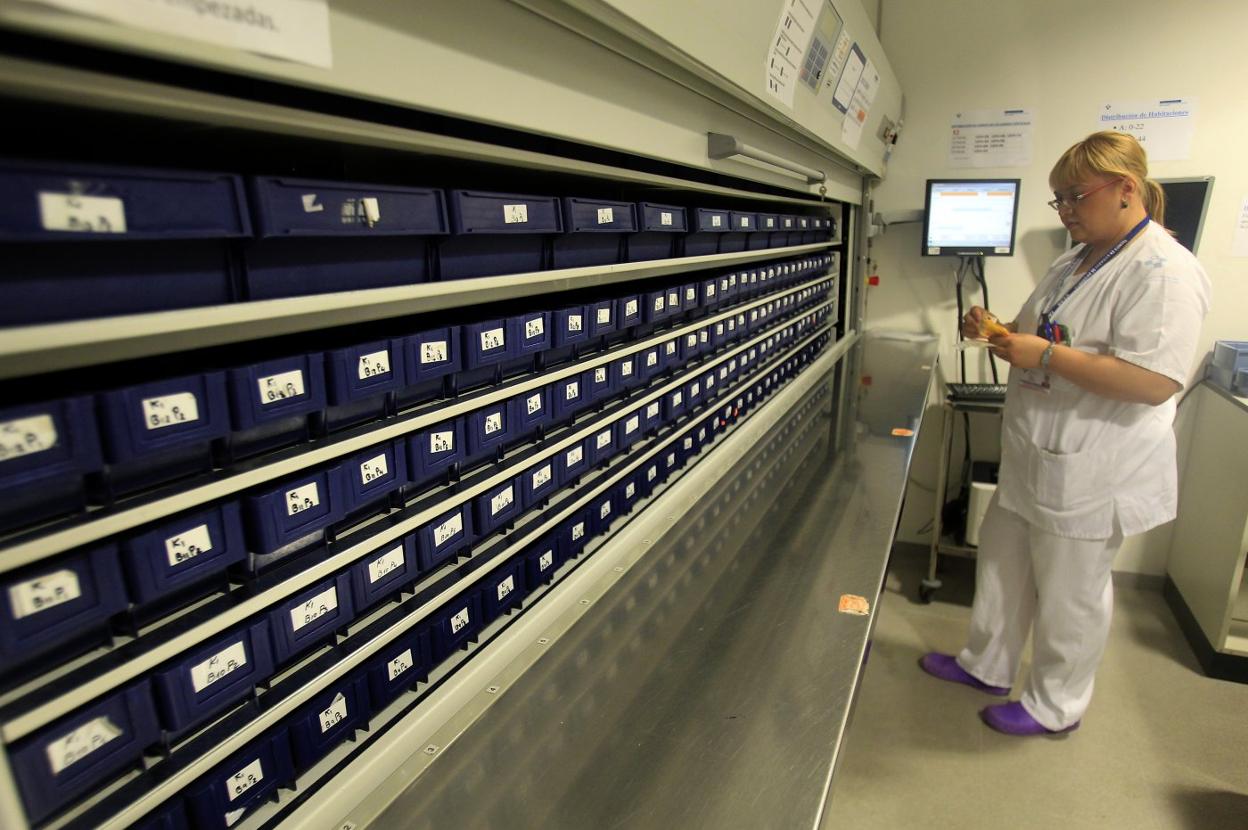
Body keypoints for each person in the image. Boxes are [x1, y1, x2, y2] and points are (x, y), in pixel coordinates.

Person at [919, 131, 1211, 736]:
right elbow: (1039, 334)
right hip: (1036, 452)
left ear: (1127, 188)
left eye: (1075, 195)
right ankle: (987, 663)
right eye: (1059, 200)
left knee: (1071, 594)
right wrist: (994, 329)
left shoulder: (1163, 272)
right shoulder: (1074, 258)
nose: (1066, 211)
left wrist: (1043, 357)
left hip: (1092, 464)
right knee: (1002, 564)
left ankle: (1056, 707)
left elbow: (1155, 381)